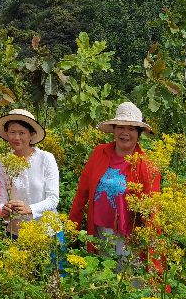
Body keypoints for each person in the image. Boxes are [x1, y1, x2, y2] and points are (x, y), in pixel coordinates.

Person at [69, 102, 161, 260]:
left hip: (128, 237)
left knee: (125, 281)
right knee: (101, 277)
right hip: (98, 231)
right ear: (114, 130)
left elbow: (152, 210)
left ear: (139, 134)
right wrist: (72, 227)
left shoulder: (147, 166)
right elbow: (82, 193)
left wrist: (153, 248)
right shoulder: (99, 152)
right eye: (120, 127)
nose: (125, 133)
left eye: (131, 129)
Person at [0, 108, 59, 236]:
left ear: (31, 134)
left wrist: (30, 208)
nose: (16, 137)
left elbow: (53, 199)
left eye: (22, 133)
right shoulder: (2, 163)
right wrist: (4, 209)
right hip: (16, 232)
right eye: (12, 132)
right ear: (7, 134)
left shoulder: (45, 158)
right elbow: (1, 199)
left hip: (47, 231)